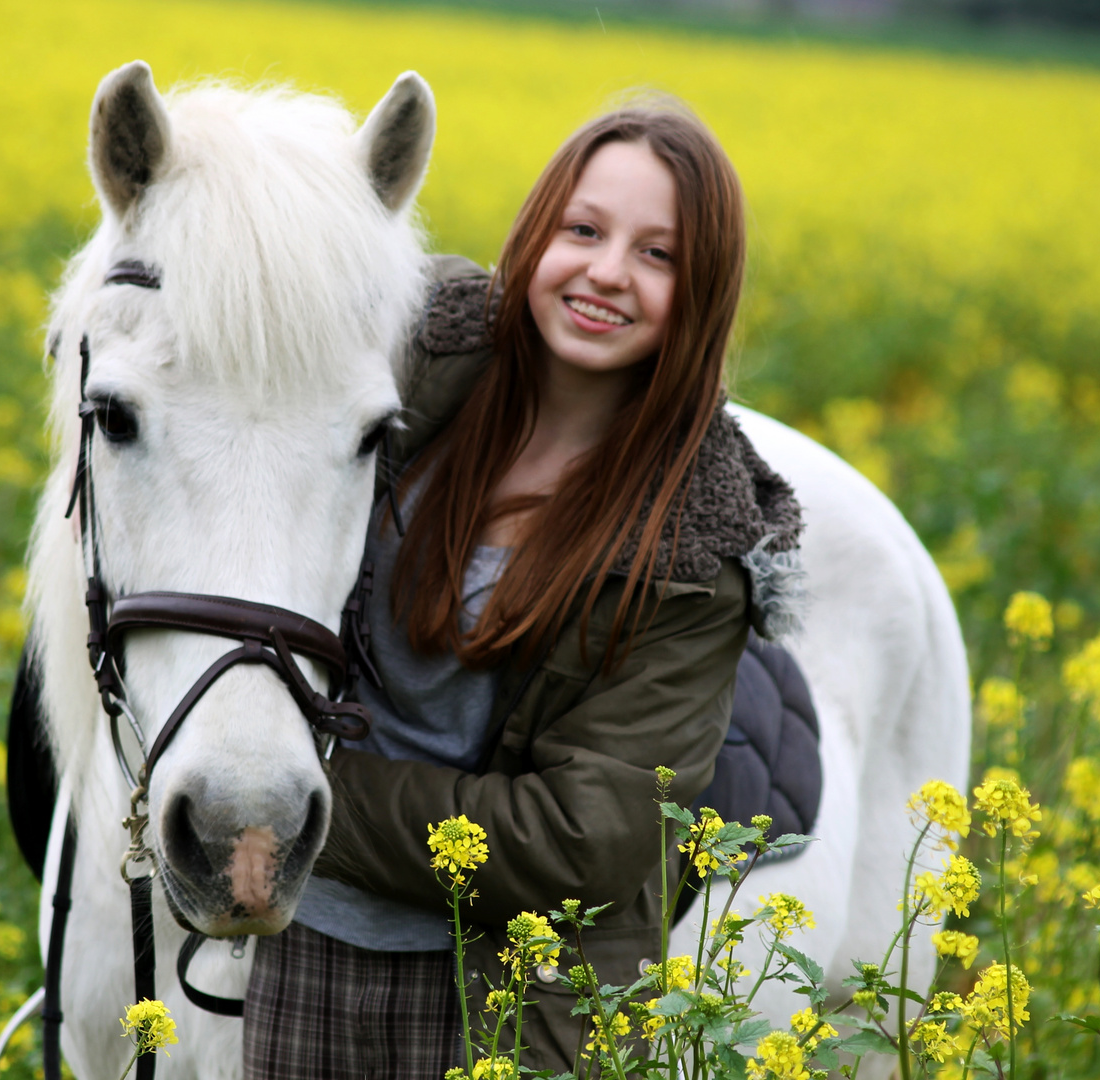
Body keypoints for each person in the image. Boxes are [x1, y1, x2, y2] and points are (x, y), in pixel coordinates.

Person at [241, 101, 805, 1079]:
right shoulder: (408, 372)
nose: (605, 273)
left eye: (657, 255)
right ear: (538, 232)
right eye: (583, 230)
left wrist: (299, 801)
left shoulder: (694, 554)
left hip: (503, 998)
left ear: (702, 291)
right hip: (306, 948)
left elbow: (583, 841)